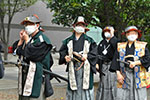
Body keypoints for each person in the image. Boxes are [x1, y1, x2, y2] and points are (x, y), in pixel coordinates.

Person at [15, 14, 53, 100]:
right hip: (25, 76)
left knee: (34, 97)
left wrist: (27, 41)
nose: (27, 26)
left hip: (37, 77)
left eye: (30, 24)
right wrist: (21, 40)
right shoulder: (29, 38)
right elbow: (18, 51)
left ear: (37, 25)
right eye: (26, 24)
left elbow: (33, 55)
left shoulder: (42, 40)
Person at [59, 16, 97, 100]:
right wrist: (65, 57)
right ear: (74, 26)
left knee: (85, 88)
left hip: (85, 67)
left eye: (82, 25)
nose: (80, 27)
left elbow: (94, 54)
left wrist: (87, 56)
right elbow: (62, 52)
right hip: (72, 67)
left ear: (84, 27)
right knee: (73, 87)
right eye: (78, 25)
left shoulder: (90, 40)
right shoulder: (68, 41)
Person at [110, 26, 150, 100]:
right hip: (124, 74)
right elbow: (115, 60)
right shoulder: (120, 46)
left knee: (139, 95)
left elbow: (148, 59)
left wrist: (136, 63)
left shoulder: (142, 46)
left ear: (137, 35)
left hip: (139, 75)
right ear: (126, 35)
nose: (132, 35)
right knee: (122, 95)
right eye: (130, 33)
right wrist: (118, 74)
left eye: (134, 33)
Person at [96, 26, 118, 100]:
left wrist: (112, 37)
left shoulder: (116, 42)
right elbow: (97, 53)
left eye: (109, 31)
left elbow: (117, 52)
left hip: (112, 65)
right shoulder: (102, 43)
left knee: (113, 84)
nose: (107, 33)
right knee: (103, 84)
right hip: (103, 65)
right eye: (106, 31)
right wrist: (97, 63)